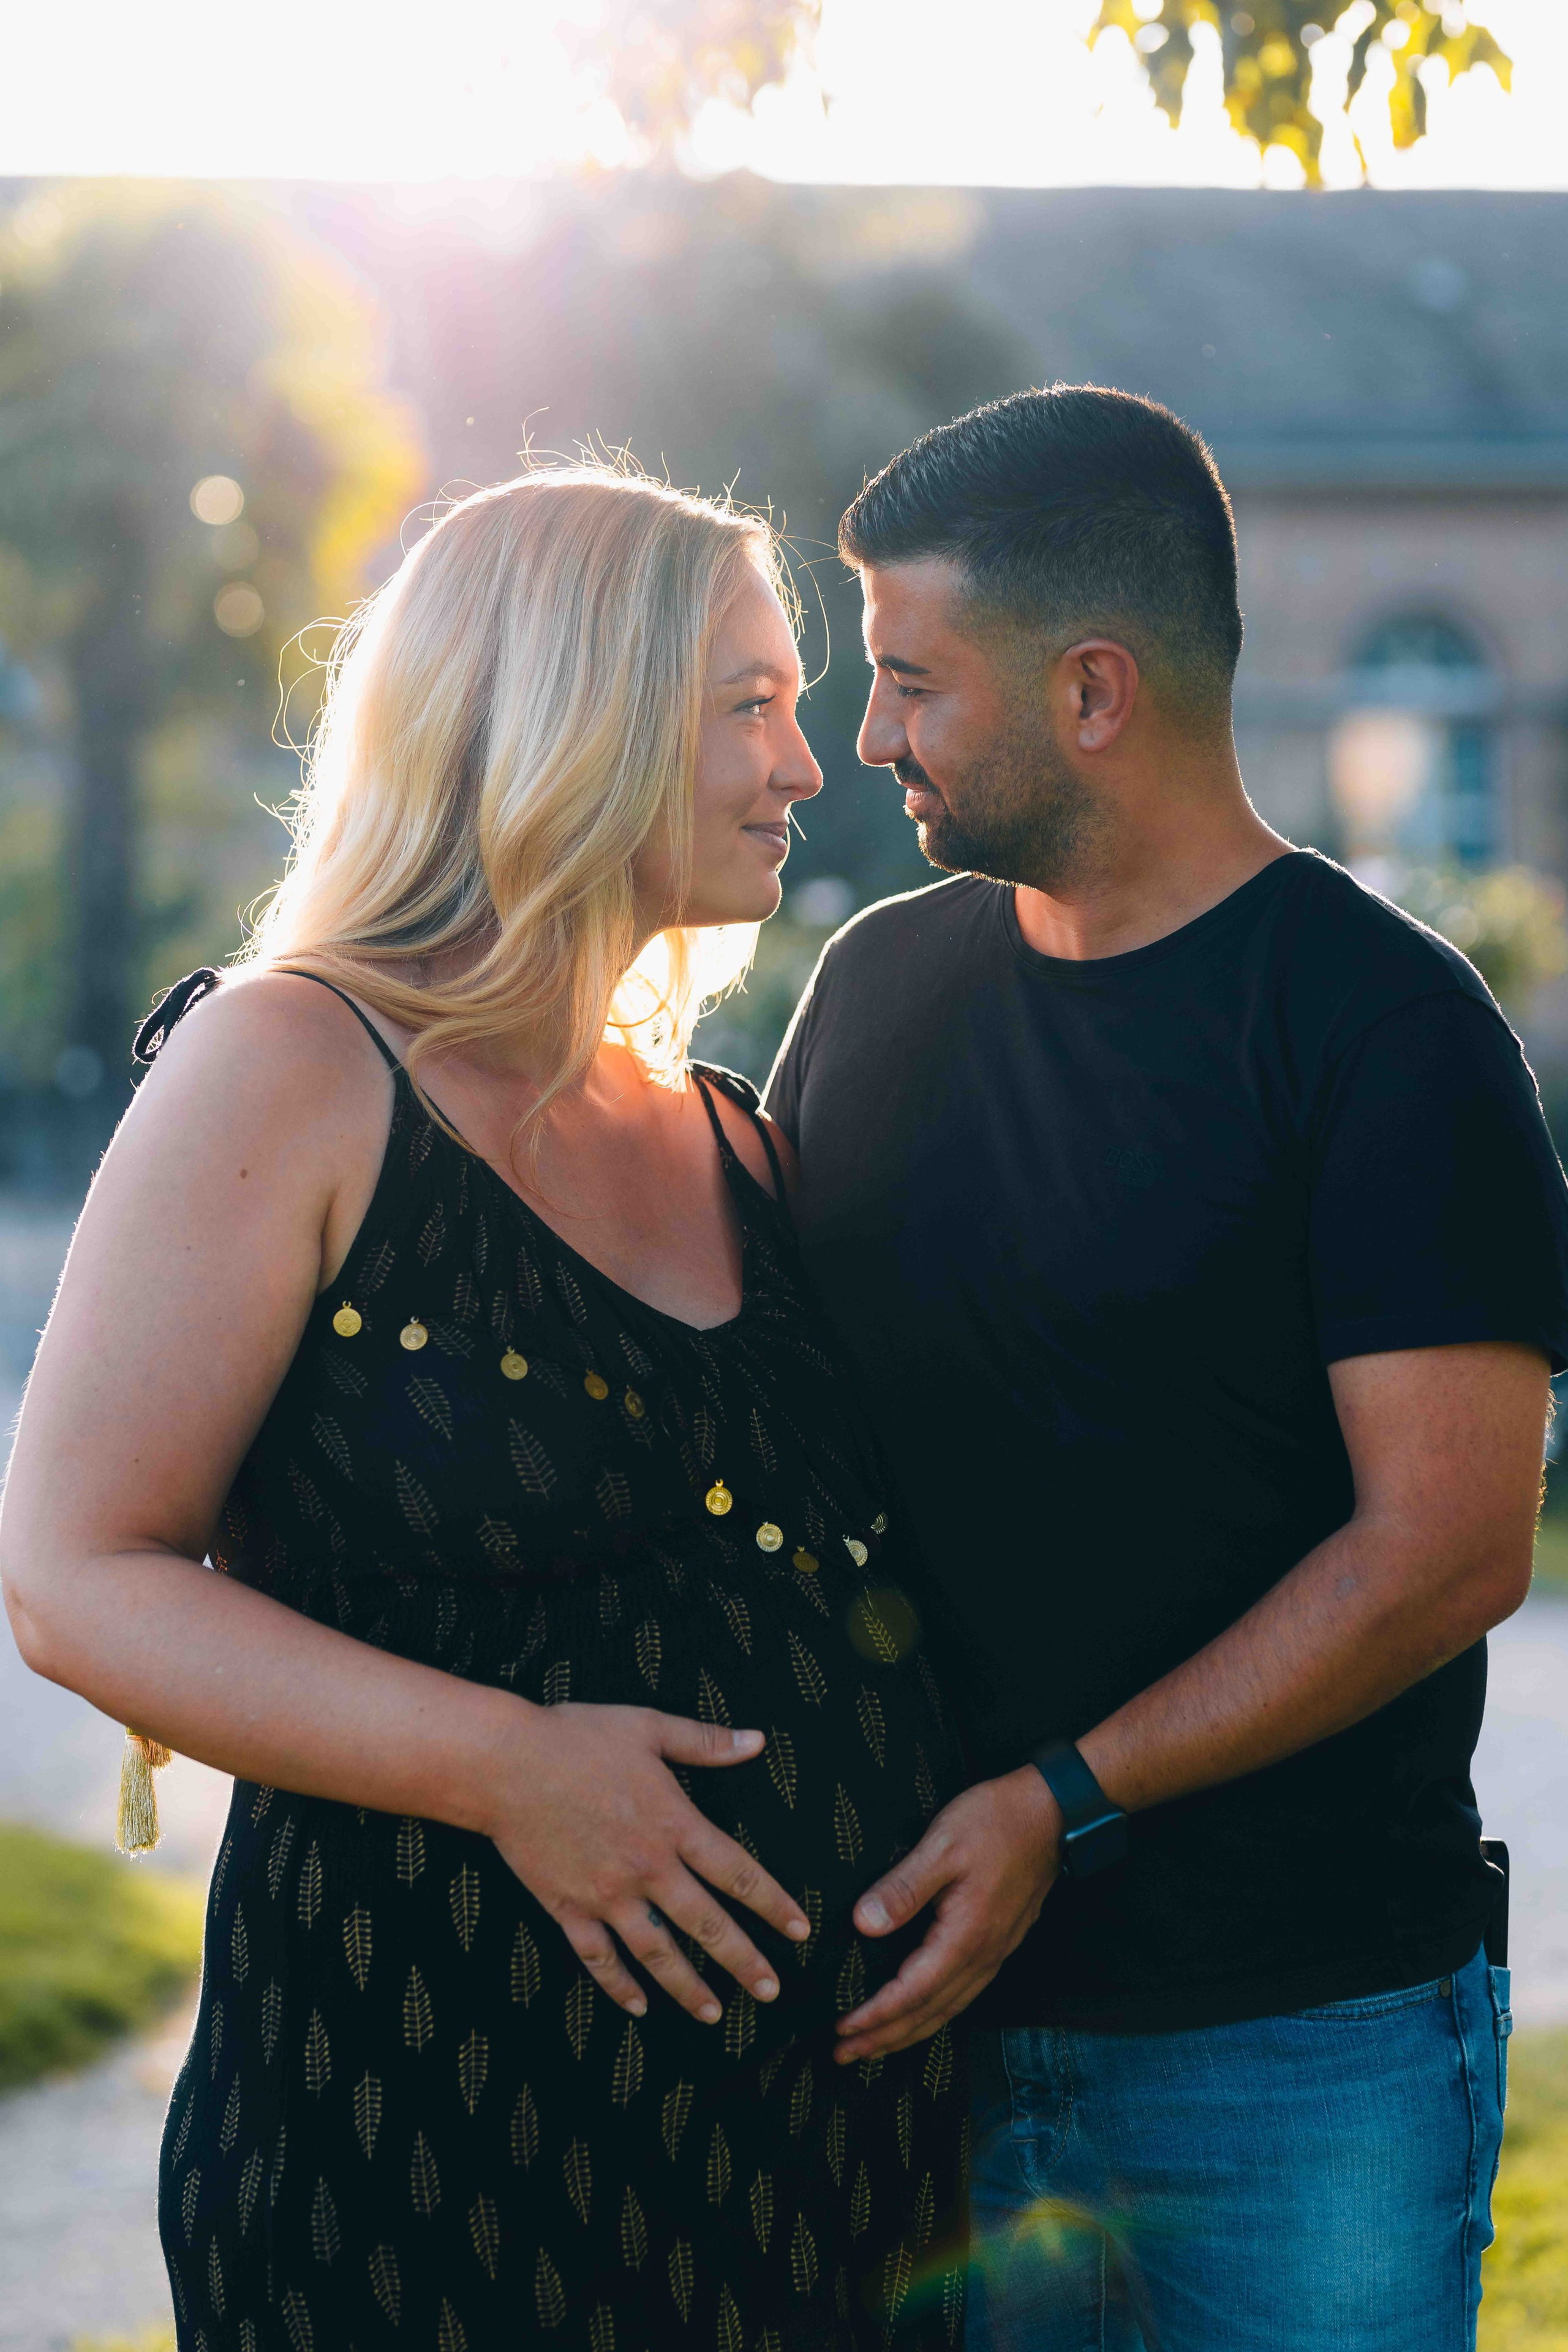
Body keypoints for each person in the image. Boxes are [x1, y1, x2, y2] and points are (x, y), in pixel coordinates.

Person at [0, 467, 969, 2351]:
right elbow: (73, 1575)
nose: (806, 765)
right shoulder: (291, 1060)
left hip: (836, 2177)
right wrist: (508, 1768)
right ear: (577, 714)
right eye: (750, 706)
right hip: (432, 2153)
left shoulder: (734, 1136)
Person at [764, 386, 1568, 2350]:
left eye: (910, 681)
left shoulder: (1392, 1034)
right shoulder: (878, 990)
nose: (868, 740)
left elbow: (1453, 1548)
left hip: (1302, 2047)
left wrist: (1064, 1797)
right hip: (926, 2034)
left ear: (1095, 693)